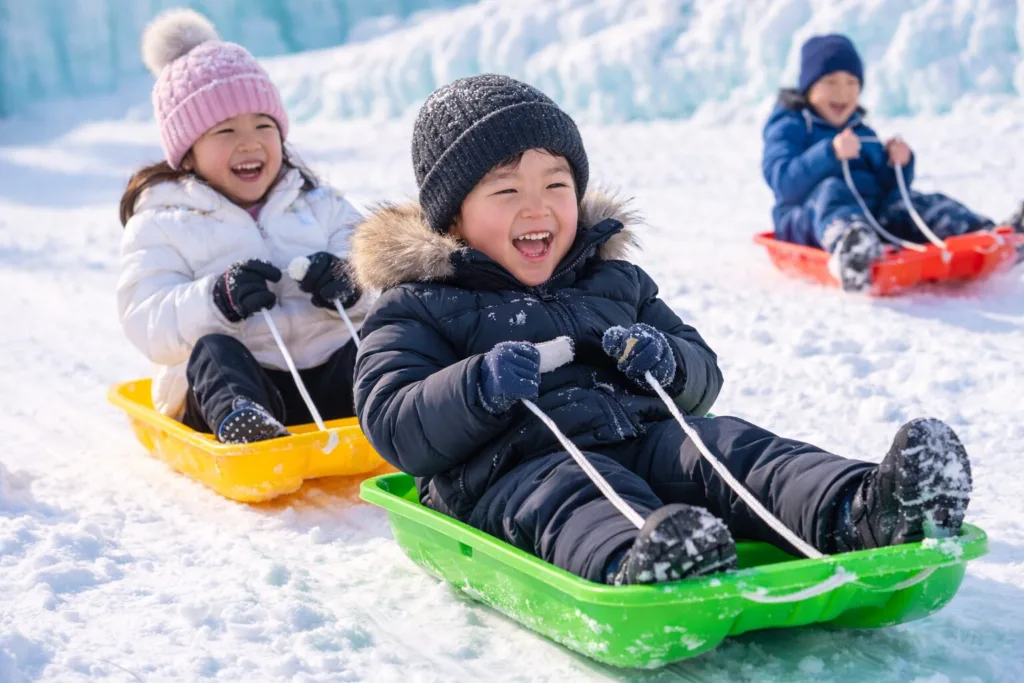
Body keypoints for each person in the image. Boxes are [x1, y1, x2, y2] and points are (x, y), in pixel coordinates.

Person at [350, 74, 973, 585]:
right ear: (453, 219)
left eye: (556, 185)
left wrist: (667, 361)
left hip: (642, 437)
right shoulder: (422, 303)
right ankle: (643, 564)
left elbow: (703, 373)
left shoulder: (613, 280)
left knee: (724, 447)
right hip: (513, 473)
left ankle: (868, 508)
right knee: (577, 490)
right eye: (506, 190)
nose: (536, 208)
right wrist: (477, 386)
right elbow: (393, 421)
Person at [117, 9, 369, 443]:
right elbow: (147, 320)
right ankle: (247, 427)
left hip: (330, 383)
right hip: (244, 392)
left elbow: (387, 281)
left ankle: (396, 410)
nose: (249, 142)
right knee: (213, 352)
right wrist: (216, 300)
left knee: (379, 338)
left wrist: (352, 282)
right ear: (187, 153)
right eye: (225, 130)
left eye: (263, 125)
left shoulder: (321, 204)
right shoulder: (162, 223)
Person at [762, 34, 995, 291]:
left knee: (914, 201)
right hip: (808, 219)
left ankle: (983, 235)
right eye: (831, 82)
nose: (843, 92)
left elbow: (886, 186)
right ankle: (852, 251)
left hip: (870, 216)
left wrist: (899, 164)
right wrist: (829, 152)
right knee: (833, 190)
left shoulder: (861, 131)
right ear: (809, 87)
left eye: (852, 83)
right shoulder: (791, 126)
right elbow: (783, 181)